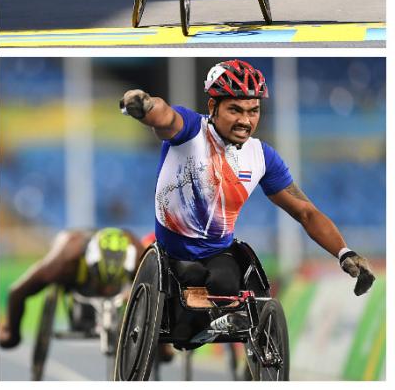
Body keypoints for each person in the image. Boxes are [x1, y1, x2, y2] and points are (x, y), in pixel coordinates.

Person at [118, 59, 374, 339]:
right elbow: (164, 116)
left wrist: (344, 252)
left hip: (218, 255)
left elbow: (306, 213)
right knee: (187, 298)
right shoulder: (191, 130)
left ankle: (220, 330)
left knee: (228, 281)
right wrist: (142, 104)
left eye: (254, 111)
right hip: (172, 255)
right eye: (235, 110)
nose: (245, 120)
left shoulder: (262, 157)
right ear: (213, 107)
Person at [0, 227, 142, 349]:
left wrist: (160, 345)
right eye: (102, 282)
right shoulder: (64, 260)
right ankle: (82, 314)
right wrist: (12, 334)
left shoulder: (137, 255)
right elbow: (17, 292)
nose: (107, 291)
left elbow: (158, 293)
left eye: (112, 283)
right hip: (75, 276)